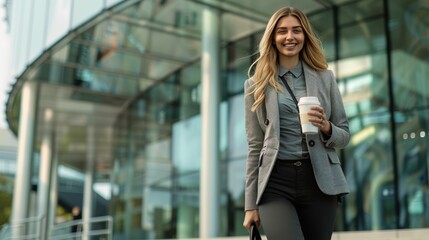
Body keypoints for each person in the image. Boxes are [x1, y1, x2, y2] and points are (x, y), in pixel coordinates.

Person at [242, 6, 350, 240]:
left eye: (296, 31)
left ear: (305, 36)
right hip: (275, 182)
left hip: (319, 181)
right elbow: (254, 146)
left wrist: (326, 127)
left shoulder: (325, 78)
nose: (289, 37)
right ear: (273, 38)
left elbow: (344, 134)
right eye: (282, 31)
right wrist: (250, 204)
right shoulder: (255, 85)